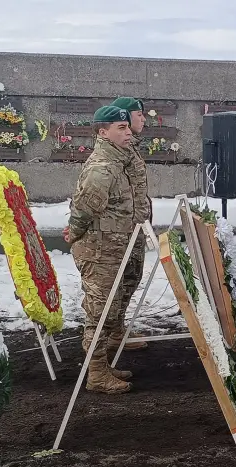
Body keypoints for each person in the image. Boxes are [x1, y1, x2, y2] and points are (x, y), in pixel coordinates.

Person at [68, 105, 137, 394]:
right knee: (98, 313)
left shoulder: (117, 163)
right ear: (102, 132)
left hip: (112, 250)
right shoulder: (102, 168)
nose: (128, 132)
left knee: (109, 312)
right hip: (100, 253)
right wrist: (73, 234)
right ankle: (96, 374)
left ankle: (102, 365)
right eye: (121, 128)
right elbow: (84, 210)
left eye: (127, 126)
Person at [109, 96, 151, 352]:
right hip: (120, 229)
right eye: (138, 114)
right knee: (118, 283)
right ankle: (111, 333)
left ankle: (117, 327)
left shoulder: (131, 146)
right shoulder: (118, 149)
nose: (143, 118)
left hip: (134, 225)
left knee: (131, 278)